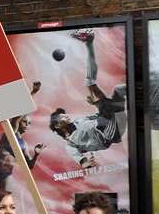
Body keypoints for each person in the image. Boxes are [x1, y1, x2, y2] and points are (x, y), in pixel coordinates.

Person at [49, 29, 127, 169]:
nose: (65, 116)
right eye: (61, 117)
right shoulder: (71, 144)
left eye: (64, 114)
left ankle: (148, 88)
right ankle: (88, 42)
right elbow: (82, 162)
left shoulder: (80, 121)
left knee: (117, 90)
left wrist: (96, 104)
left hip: (114, 121)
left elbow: (100, 115)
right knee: (91, 85)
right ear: (57, 127)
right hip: (108, 134)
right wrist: (87, 164)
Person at [0, 81, 45, 190]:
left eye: (29, 123)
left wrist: (37, 154)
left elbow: (30, 165)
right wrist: (33, 92)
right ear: (19, 122)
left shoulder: (24, 145)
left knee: (2, 201)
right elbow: (19, 115)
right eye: (24, 121)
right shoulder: (11, 132)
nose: (27, 125)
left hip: (6, 174)